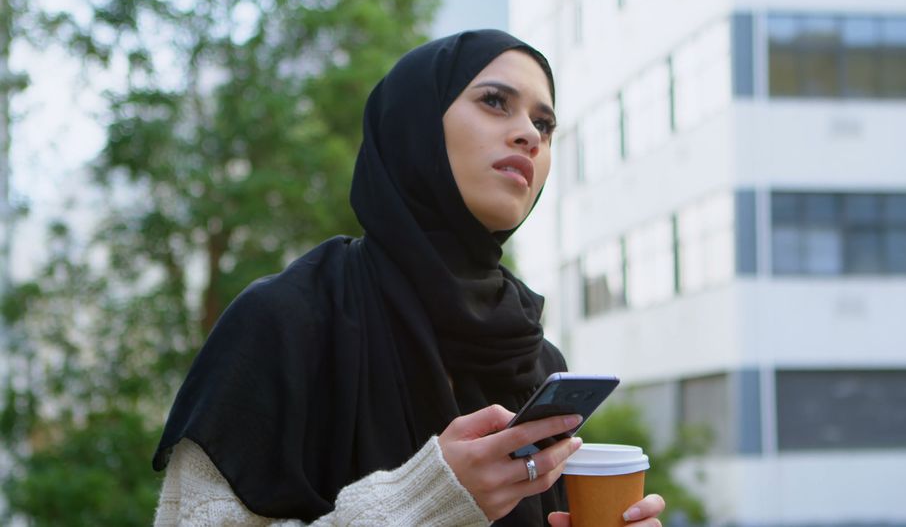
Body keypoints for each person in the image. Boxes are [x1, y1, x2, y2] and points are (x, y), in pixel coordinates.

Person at [150, 30, 666, 526]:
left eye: (545, 125)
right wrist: (427, 501)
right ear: (415, 122)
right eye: (494, 101)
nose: (529, 134)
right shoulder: (287, 318)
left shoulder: (531, 356)